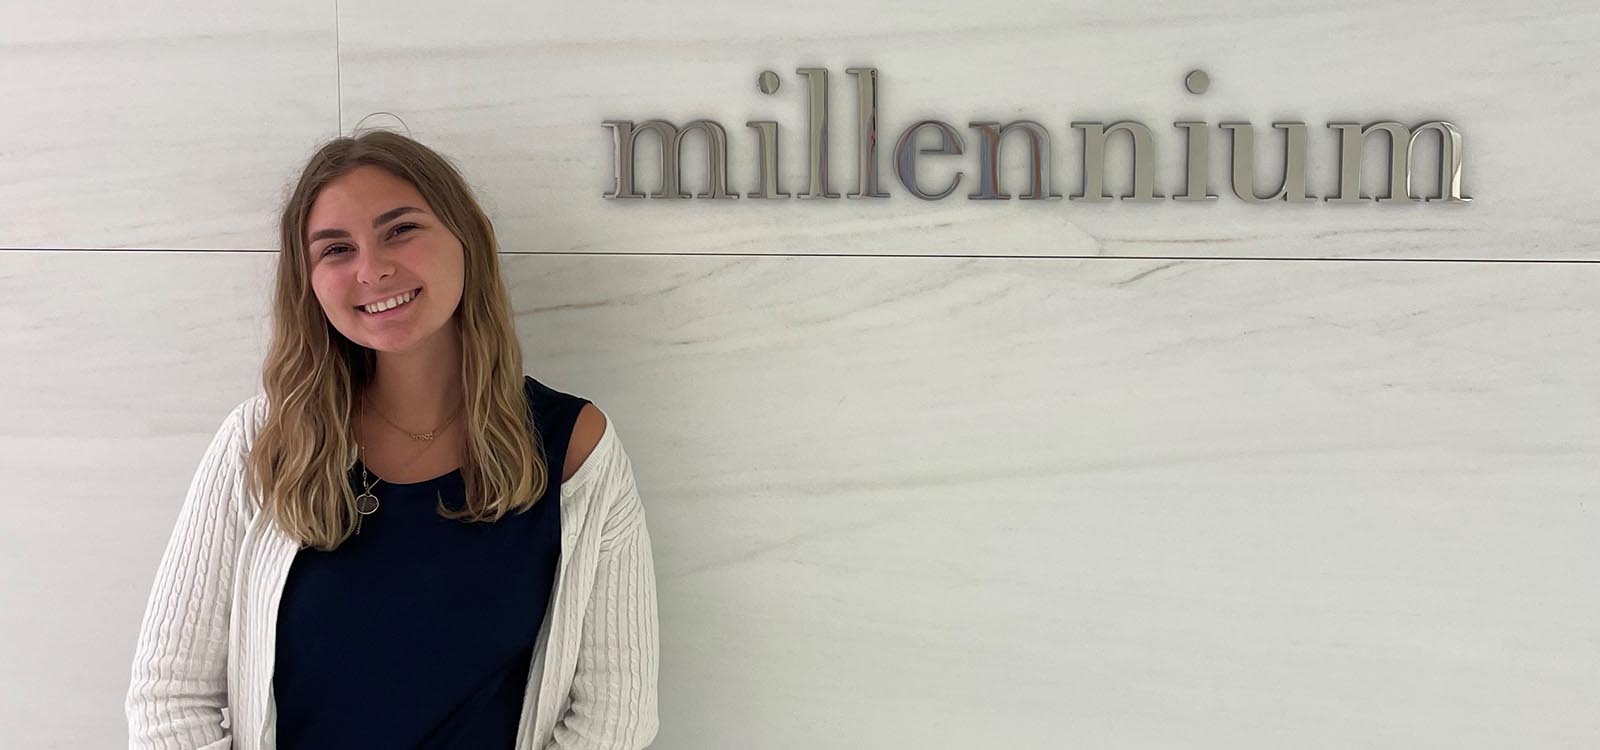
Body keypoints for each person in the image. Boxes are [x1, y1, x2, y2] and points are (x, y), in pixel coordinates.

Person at [124, 130, 659, 749]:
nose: (372, 268)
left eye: (400, 229)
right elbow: (170, 699)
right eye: (335, 249)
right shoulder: (265, 441)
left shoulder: (573, 449)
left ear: (469, 236)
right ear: (309, 281)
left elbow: (615, 716)